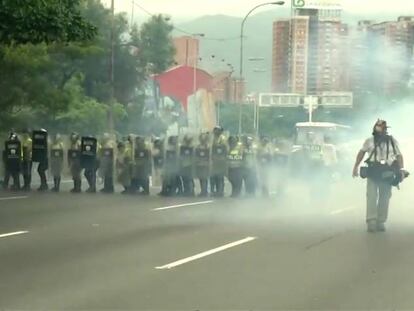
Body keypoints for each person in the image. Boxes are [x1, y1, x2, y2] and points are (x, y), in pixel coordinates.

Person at [352, 119, 405, 232]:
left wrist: (401, 170)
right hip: (373, 171)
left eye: (382, 128)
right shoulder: (369, 141)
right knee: (371, 195)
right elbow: (361, 152)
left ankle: (381, 221)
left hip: (387, 171)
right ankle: (371, 220)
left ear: (385, 130)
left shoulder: (392, 141)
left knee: (385, 196)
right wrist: (355, 166)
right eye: (378, 127)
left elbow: (399, 155)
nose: (380, 130)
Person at [210, 126, 228, 197]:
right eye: (215, 130)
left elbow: (225, 150)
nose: (216, 131)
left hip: (220, 161)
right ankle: (213, 191)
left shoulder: (223, 139)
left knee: (220, 177)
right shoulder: (211, 138)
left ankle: (220, 191)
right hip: (213, 161)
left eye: (218, 130)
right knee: (213, 177)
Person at [195, 132, 210, 197]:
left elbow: (209, 156)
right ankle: (203, 191)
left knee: (204, 178)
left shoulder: (208, 147)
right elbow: (196, 156)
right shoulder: (198, 147)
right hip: (199, 165)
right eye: (201, 138)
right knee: (201, 178)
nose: (202, 139)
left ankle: (204, 192)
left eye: (204, 138)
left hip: (205, 165)